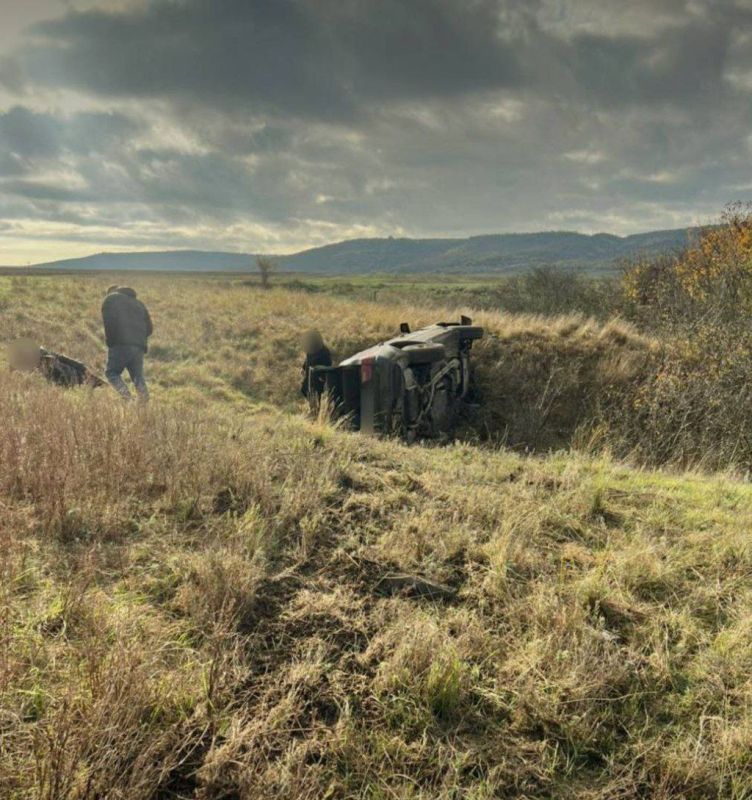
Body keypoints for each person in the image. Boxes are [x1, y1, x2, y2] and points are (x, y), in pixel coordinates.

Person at [101, 286, 153, 401]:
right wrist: (138, 339)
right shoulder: (139, 303)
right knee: (137, 377)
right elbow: (150, 329)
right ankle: (144, 403)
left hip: (120, 343)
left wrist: (111, 342)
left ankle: (128, 399)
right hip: (139, 346)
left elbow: (108, 323)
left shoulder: (111, 300)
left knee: (112, 373)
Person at [7, 339, 104, 388]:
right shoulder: (37, 363)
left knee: (81, 374)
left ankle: (98, 383)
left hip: (71, 374)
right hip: (65, 376)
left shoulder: (42, 356)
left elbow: (62, 359)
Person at [300, 330, 332, 398]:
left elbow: (328, 365)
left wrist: (318, 369)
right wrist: (303, 368)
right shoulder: (311, 349)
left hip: (317, 378)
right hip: (308, 377)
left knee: (315, 395)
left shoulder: (324, 351)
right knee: (305, 390)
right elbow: (307, 359)